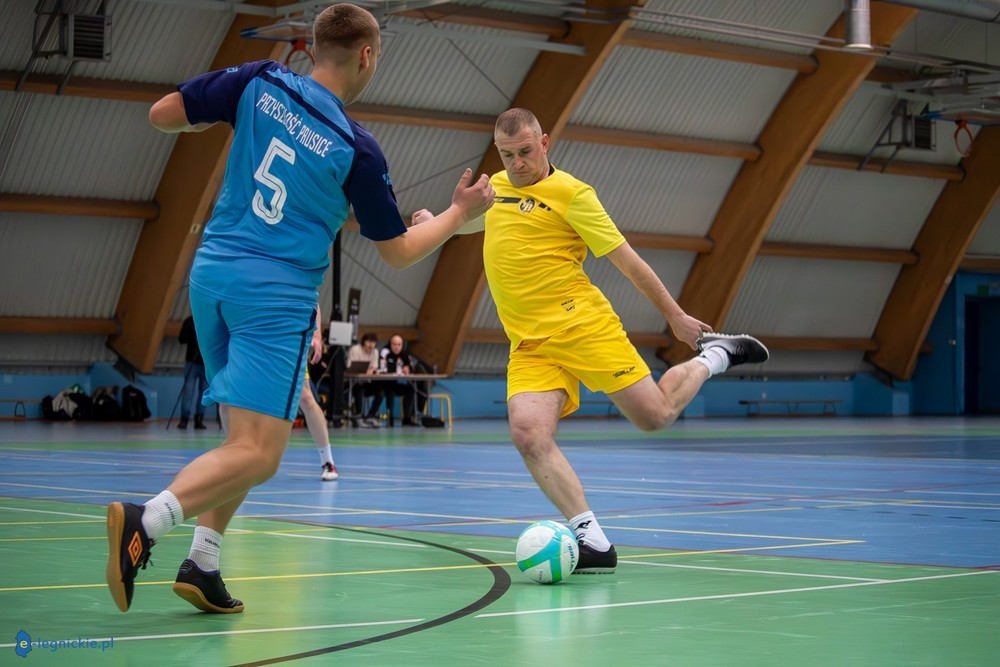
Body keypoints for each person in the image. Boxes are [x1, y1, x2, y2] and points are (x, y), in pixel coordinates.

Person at [105, 3, 494, 615]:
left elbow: (163, 116)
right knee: (261, 453)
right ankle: (146, 521)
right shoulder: (356, 148)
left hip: (213, 277)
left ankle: (203, 561)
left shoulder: (257, 80)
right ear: (367, 56)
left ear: (312, 49)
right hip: (274, 298)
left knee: (240, 439)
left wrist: (225, 122)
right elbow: (398, 252)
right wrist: (459, 214)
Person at [443, 107, 769, 574]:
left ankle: (715, 356)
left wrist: (675, 316)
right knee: (528, 433)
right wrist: (444, 218)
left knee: (654, 416)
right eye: (506, 154)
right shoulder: (497, 186)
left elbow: (630, 263)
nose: (516, 163)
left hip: (582, 326)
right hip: (529, 344)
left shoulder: (574, 195)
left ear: (545, 143)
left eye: (525, 152)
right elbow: (476, 220)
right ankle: (593, 541)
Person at [301, 307, 339, 481]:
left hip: (290, 341)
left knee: (306, 398)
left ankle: (328, 462)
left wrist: (316, 336)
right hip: (257, 338)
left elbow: (314, 300)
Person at [377, 334, 418, 427]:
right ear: (390, 344)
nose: (396, 347)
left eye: (399, 345)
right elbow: (382, 368)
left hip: (395, 383)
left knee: (410, 390)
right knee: (390, 391)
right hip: (383, 384)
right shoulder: (385, 352)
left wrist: (408, 368)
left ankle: (407, 418)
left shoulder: (404, 353)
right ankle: (390, 418)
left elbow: (411, 366)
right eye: (394, 344)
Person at [177, 315, 208, 430]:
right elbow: (181, 339)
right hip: (191, 361)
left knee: (204, 393)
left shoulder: (211, 320)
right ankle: (184, 419)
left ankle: (199, 419)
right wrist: (194, 335)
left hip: (206, 363)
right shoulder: (189, 321)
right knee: (188, 391)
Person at [346, 332, 382, 428]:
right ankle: (358, 416)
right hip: (353, 383)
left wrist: (368, 371)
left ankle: (371, 416)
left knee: (380, 391)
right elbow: (349, 367)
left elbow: (374, 368)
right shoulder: (355, 350)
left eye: (373, 342)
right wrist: (367, 370)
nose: (371, 345)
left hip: (367, 382)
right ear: (363, 342)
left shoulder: (375, 352)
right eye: (369, 342)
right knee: (359, 389)